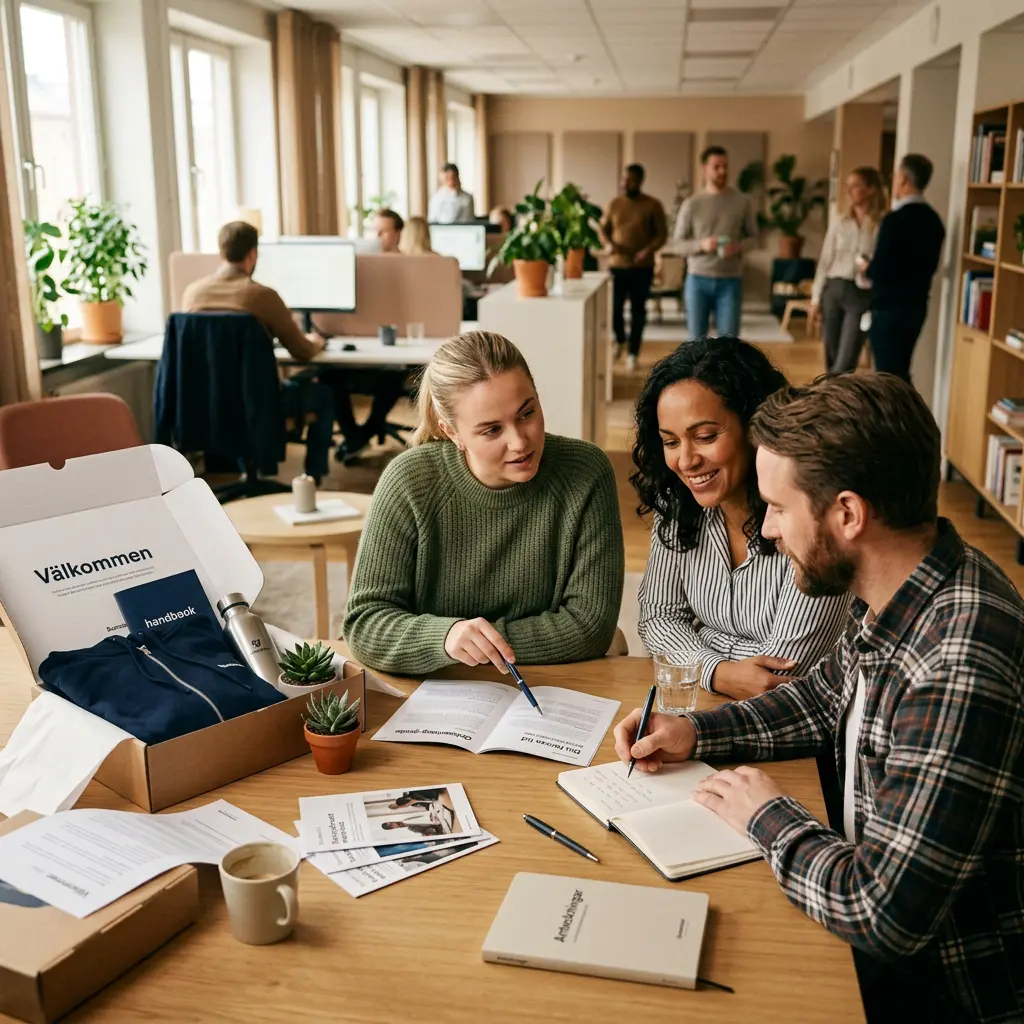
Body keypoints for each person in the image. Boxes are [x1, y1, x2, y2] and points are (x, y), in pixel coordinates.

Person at [613, 373, 1024, 1024]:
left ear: (848, 514)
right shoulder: (909, 582)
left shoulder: (956, 662)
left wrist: (766, 814)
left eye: (778, 507)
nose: (768, 529)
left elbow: (881, 913)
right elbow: (821, 697)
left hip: (940, 992)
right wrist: (694, 733)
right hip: (879, 945)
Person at [343, 331, 624, 676]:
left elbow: (589, 627)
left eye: (527, 414)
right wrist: (446, 637)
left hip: (549, 683)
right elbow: (365, 623)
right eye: (491, 430)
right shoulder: (409, 481)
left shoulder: (585, 471)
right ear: (452, 432)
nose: (520, 442)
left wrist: (476, 645)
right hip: (437, 689)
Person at [634, 337, 850, 701]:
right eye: (670, 442)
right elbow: (656, 618)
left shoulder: (808, 515)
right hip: (705, 706)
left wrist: (697, 646)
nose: (686, 461)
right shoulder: (679, 505)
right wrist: (718, 672)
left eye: (705, 436)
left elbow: (785, 669)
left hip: (798, 726)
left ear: (755, 428)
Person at [181, 220, 334, 482]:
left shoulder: (192, 294)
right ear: (252, 254)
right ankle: (312, 477)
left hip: (207, 404)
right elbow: (302, 352)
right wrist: (317, 341)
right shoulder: (261, 296)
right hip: (260, 406)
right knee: (325, 396)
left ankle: (246, 472)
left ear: (221, 252)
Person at [862, 153, 946, 384]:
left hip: (888, 308)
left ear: (904, 181)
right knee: (900, 371)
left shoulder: (894, 221)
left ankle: (891, 419)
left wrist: (865, 267)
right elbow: (931, 266)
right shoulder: (934, 221)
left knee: (886, 376)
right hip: (916, 306)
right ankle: (906, 417)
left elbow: (879, 269)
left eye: (896, 176)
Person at [673, 145, 758, 341]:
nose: (723, 171)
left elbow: (754, 239)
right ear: (704, 169)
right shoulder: (692, 203)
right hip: (697, 280)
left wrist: (738, 247)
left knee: (729, 344)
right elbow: (677, 244)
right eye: (717, 167)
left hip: (731, 281)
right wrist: (701, 245)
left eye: (725, 166)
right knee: (696, 343)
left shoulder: (742, 201)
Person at [810, 167, 886, 374]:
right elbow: (825, 260)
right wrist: (816, 298)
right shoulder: (839, 220)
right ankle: (831, 401)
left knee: (846, 360)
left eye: (856, 185)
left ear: (870, 189)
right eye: (848, 186)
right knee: (831, 356)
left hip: (861, 293)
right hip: (833, 288)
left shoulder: (882, 222)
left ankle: (834, 400)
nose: (850, 191)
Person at [602, 164, 668, 372]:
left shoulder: (652, 205)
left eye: (629, 180)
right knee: (615, 310)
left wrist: (648, 250)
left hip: (642, 268)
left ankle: (633, 352)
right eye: (623, 179)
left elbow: (661, 234)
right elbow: (603, 229)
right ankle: (620, 339)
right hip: (618, 266)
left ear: (639, 181)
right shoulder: (614, 204)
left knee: (639, 311)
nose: (625, 183)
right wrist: (609, 244)